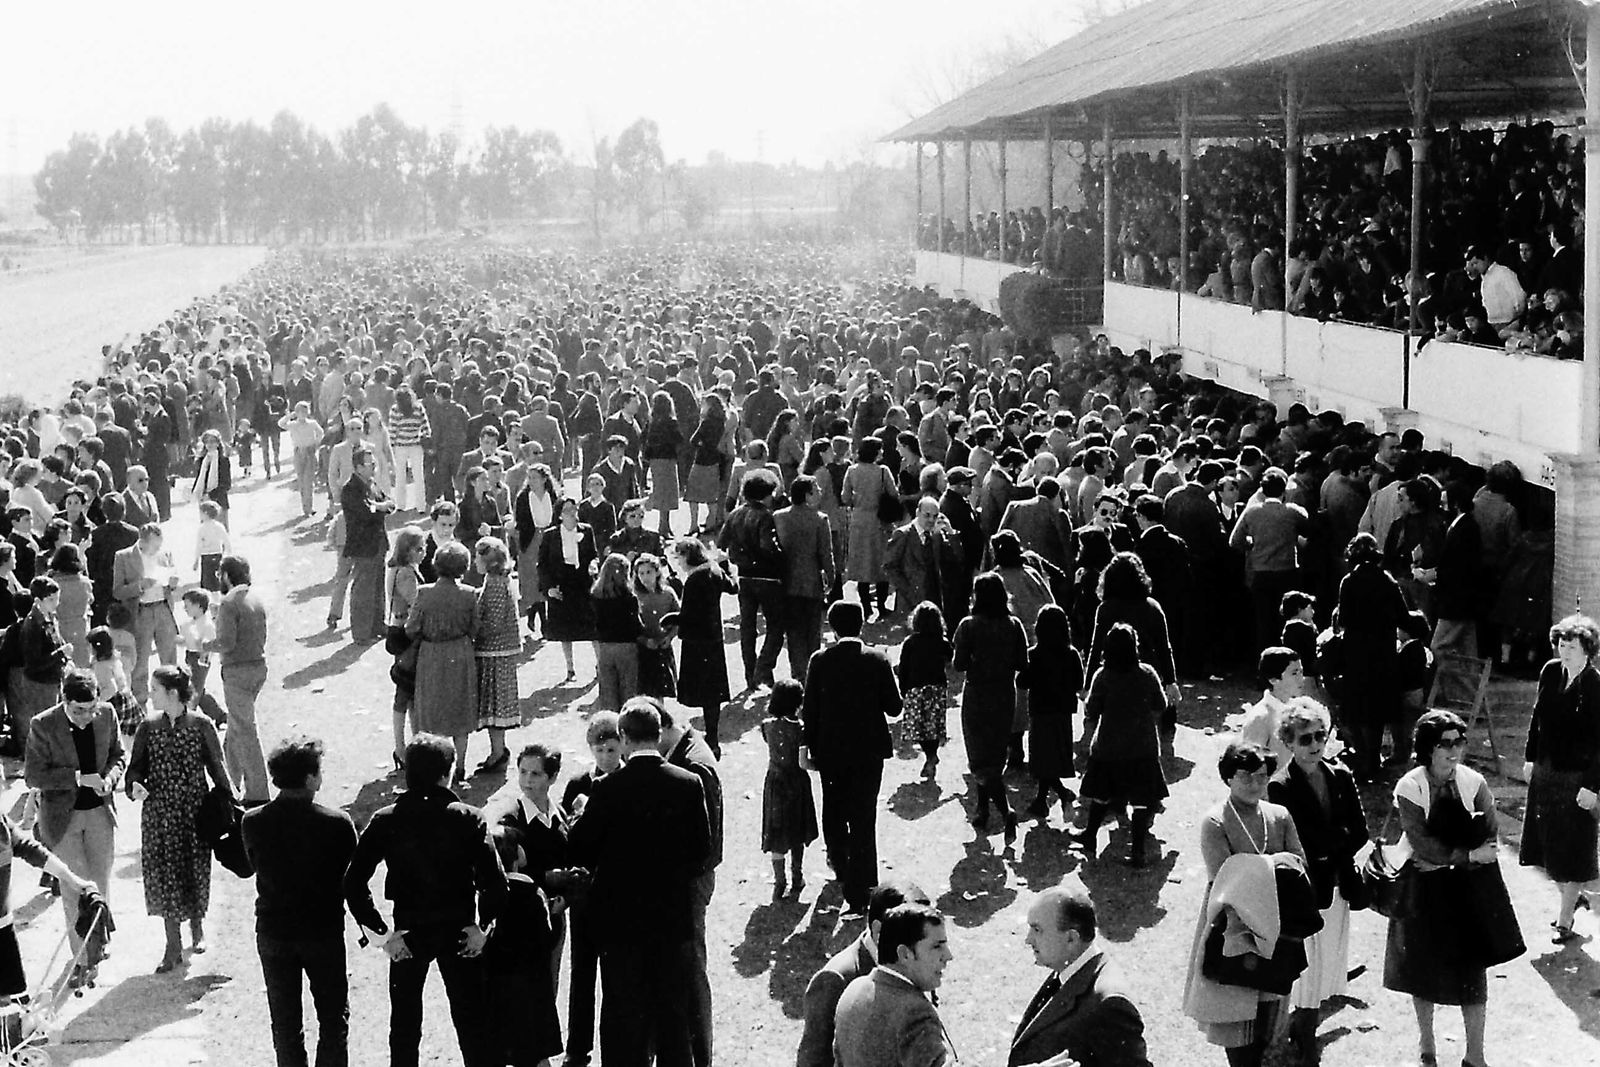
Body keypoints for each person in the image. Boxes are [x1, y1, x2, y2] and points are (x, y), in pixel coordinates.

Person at [344, 733, 508, 1067]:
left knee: (404, 1028)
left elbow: (353, 881)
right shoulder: (470, 817)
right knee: (473, 1025)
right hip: (460, 932)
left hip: (408, 934)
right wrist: (483, 928)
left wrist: (382, 935)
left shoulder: (387, 818)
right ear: (447, 773)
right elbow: (496, 883)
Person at [566, 701, 711, 1067]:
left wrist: (582, 814)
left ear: (625, 739)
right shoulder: (688, 783)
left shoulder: (606, 788)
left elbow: (580, 847)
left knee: (623, 1018)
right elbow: (701, 853)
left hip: (621, 924)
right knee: (672, 1018)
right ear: (658, 735)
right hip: (671, 920)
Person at [1385, 711, 1520, 1067]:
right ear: (1427, 748)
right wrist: (1463, 855)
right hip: (1424, 891)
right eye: (1445, 744)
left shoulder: (1474, 783)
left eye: (1459, 742)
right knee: (1421, 968)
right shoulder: (1410, 787)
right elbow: (1421, 843)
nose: (1454, 751)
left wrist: (1455, 860)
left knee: (1472, 972)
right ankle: (1427, 1044)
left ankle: (1475, 1055)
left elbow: (1490, 834)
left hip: (1467, 891)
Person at [1181, 741, 1306, 1067]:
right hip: (1233, 926)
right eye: (1245, 777)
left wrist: (1260, 867)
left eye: (1262, 776)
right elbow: (1225, 877)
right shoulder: (1215, 821)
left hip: (1277, 925)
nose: (1255, 784)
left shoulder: (1279, 816)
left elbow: (1299, 863)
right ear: (1228, 778)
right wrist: (1275, 864)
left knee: (1271, 1014)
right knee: (1236, 1020)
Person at [241, 736, 358, 1067]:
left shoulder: (253, 821)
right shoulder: (336, 823)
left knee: (285, 1024)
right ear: (309, 778)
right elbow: (352, 877)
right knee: (333, 1018)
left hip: (274, 933)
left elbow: (252, 865)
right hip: (323, 933)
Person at [1265, 698, 1368, 1065]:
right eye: (1305, 738)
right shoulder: (1280, 786)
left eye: (1320, 736)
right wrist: (1333, 843)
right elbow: (1297, 843)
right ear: (1288, 742)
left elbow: (1360, 831)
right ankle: (1305, 1036)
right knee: (1308, 966)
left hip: (1339, 884)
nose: (1314, 745)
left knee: (1329, 963)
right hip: (1306, 890)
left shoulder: (1341, 776)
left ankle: (1306, 1026)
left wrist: (1331, 846)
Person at [125, 664, 235, 973]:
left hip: (194, 812)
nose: (151, 695)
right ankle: (172, 945)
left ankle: (197, 927)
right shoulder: (148, 727)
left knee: (194, 869)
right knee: (164, 876)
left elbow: (217, 768)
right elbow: (135, 769)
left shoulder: (201, 725)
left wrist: (232, 804)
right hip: (158, 814)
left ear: (172, 693)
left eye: (155, 689)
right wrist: (135, 787)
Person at [802, 600, 902, 918]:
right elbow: (894, 707)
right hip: (868, 752)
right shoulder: (878, 658)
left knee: (833, 813)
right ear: (862, 624)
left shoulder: (820, 660)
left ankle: (841, 866)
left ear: (832, 626)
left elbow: (810, 710)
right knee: (863, 818)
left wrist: (806, 747)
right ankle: (863, 890)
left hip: (830, 752)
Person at [24, 668, 124, 966]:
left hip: (99, 813)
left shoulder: (107, 715)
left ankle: (99, 941)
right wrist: (77, 778)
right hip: (61, 820)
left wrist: (109, 779)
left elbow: (118, 755)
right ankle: (82, 958)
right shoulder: (43, 724)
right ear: (64, 700)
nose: (86, 717)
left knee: (100, 884)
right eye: (79, 711)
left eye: (92, 709)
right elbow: (33, 776)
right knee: (74, 888)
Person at [1012, 882, 1152, 1067]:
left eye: (1037, 930)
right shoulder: (1068, 971)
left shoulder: (1109, 1005)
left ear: (1071, 938)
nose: (1028, 940)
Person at [1521, 613, 1600, 940]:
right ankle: (1573, 896)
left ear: (1587, 650)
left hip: (1577, 776)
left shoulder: (1595, 685)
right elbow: (1537, 717)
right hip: (1547, 769)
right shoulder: (1551, 672)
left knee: (1574, 847)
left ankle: (1565, 920)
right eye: (1562, 645)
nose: (1564, 652)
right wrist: (1529, 757)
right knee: (1545, 843)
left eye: (1572, 647)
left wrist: (1592, 785)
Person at [796, 880, 932, 1067]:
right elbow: (813, 1060)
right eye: (913, 934)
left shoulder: (910, 963)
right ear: (878, 930)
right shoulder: (835, 980)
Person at [1074, 623, 1169, 866]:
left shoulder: (1103, 676)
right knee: (1141, 800)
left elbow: (1092, 709)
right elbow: (1161, 704)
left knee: (1101, 794)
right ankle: (1137, 850)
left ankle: (1090, 835)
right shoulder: (1147, 673)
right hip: (1143, 746)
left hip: (1109, 746)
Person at [558, 713, 623, 1067]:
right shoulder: (578, 784)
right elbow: (568, 838)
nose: (605, 757)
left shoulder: (627, 782)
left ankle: (614, 1048)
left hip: (615, 894)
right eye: (599, 750)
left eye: (611, 749)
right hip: (584, 894)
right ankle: (577, 1046)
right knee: (581, 973)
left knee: (615, 978)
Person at [0, 762, 96, 999]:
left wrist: (73, 880)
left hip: (3, 928)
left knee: (15, 1003)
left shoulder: (1, 824)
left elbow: (29, 848)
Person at [831, 903, 956, 1067]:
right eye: (937, 946)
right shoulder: (915, 1012)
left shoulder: (853, 991)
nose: (948, 956)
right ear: (904, 954)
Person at [953, 572, 1029, 841]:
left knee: (978, 757)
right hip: (1004, 695)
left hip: (976, 695)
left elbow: (958, 665)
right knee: (995, 757)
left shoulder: (968, 625)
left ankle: (1005, 811)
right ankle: (982, 809)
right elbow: (1022, 663)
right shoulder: (1014, 624)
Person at [405, 543, 480, 783]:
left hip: (432, 654)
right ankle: (461, 766)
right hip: (460, 652)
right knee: (460, 711)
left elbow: (411, 627)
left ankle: (431, 766)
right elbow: (475, 627)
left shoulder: (424, 593)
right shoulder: (469, 593)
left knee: (431, 710)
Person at [206, 554, 270, 804]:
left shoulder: (228, 603)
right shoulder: (256, 599)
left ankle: (257, 793)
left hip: (237, 672)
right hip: (258, 667)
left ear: (225, 575)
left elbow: (226, 642)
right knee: (235, 727)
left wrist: (202, 645)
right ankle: (229, 783)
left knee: (244, 731)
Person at [718, 467, 787, 690]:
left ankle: (750, 674)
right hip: (768, 578)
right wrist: (783, 559)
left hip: (744, 577)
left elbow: (720, 544)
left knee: (747, 628)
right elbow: (768, 547)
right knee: (776, 626)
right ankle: (763, 668)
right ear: (766, 493)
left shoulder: (735, 514)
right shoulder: (766, 516)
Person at [670, 536, 737, 758]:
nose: (678, 562)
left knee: (702, 690)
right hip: (714, 638)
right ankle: (713, 737)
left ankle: (711, 739)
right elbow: (733, 587)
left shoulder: (694, 578)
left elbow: (688, 614)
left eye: (679, 557)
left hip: (696, 641)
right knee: (713, 693)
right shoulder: (714, 569)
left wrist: (672, 620)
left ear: (687, 555)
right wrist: (725, 563)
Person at [1023, 604, 1084, 820]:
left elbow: (1022, 682)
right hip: (1062, 712)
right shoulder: (1071, 654)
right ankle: (1042, 801)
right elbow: (1079, 682)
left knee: (1041, 759)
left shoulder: (1033, 655)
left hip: (1040, 711)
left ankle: (1059, 795)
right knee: (1053, 757)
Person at [330, 447, 396, 641]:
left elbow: (389, 503)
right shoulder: (351, 489)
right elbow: (366, 512)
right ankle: (361, 632)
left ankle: (377, 625)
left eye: (374, 463)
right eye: (369, 464)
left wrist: (380, 506)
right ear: (358, 467)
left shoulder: (372, 484)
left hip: (378, 543)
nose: (374, 466)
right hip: (363, 547)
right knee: (363, 591)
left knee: (377, 588)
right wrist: (379, 507)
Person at [760, 679, 817, 900]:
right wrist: (819, 766)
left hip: (774, 783)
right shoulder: (800, 729)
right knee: (796, 830)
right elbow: (803, 763)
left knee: (776, 831)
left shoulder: (766, 726)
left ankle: (779, 881)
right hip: (796, 783)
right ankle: (797, 877)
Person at [774, 474, 833, 682]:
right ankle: (812, 675)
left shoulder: (778, 517)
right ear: (807, 495)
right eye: (816, 490)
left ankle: (797, 674)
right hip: (811, 583)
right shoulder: (820, 519)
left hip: (786, 582)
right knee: (812, 632)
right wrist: (831, 578)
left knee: (794, 632)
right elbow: (826, 554)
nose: (820, 492)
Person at [111, 522, 179, 705]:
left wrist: (172, 584)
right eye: (154, 545)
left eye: (159, 545)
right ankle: (140, 703)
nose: (158, 549)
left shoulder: (164, 554)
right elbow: (117, 591)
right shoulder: (123, 556)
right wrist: (139, 586)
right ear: (142, 542)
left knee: (170, 657)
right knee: (140, 661)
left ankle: (172, 699)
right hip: (141, 611)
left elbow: (172, 578)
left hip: (163, 608)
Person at [472, 537, 522, 775]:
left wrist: (473, 628)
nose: (474, 562)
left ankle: (498, 752)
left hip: (495, 651)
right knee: (495, 704)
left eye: (477, 558)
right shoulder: (502, 579)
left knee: (494, 704)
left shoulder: (494, 582)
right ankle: (497, 750)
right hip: (500, 650)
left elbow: (493, 622)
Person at [537, 497, 599, 683]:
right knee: (565, 630)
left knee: (593, 628)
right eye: (567, 510)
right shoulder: (550, 535)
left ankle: (600, 665)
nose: (572, 513)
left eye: (574, 509)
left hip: (583, 583)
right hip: (562, 584)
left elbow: (593, 555)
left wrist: (594, 564)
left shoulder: (586, 530)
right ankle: (570, 668)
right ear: (560, 515)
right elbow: (542, 565)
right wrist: (549, 588)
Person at [839, 437, 895, 620]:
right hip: (879, 521)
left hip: (859, 521)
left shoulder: (852, 471)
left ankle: (865, 606)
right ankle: (881, 606)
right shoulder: (883, 471)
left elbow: (845, 497)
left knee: (862, 565)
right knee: (881, 564)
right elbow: (893, 493)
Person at [386, 526, 426, 770]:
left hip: (400, 629)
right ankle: (400, 747)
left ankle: (411, 742)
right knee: (404, 691)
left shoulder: (401, 569)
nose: (423, 552)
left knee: (409, 692)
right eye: (418, 549)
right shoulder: (405, 574)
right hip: (405, 633)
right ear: (406, 550)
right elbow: (416, 603)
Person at [896, 601, 952, 776]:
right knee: (933, 726)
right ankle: (932, 755)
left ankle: (930, 756)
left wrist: (903, 689)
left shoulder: (910, 642)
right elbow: (950, 657)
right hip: (936, 689)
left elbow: (903, 668)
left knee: (918, 728)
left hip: (915, 688)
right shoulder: (942, 642)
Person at [591, 553, 643, 712]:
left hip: (605, 648)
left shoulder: (596, 597)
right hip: (627, 647)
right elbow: (636, 626)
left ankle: (611, 723)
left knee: (608, 693)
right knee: (628, 692)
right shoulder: (629, 598)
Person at [513, 463, 557, 637]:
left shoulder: (551, 495)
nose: (531, 481)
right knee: (532, 579)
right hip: (530, 541)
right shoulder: (523, 497)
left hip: (548, 539)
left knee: (546, 577)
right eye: (529, 478)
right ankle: (536, 615)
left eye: (535, 478)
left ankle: (543, 618)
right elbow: (520, 522)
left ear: (544, 479)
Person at [632, 553, 679, 700]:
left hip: (663, 646)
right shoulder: (634, 596)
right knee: (644, 691)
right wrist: (645, 641)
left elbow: (679, 618)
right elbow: (629, 624)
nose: (645, 577)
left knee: (660, 691)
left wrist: (670, 637)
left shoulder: (667, 594)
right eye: (641, 573)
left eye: (649, 572)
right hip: (642, 649)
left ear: (657, 572)